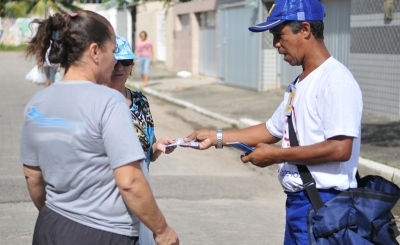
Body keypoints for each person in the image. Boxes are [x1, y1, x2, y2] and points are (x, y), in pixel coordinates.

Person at [185, 0, 363, 244]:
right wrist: (216, 137)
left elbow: (340, 148)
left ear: (306, 30)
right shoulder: (299, 84)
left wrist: (277, 156)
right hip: (300, 205)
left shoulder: (336, 81)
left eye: (279, 35)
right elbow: (271, 129)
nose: (276, 45)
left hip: (325, 204)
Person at [21, 11, 179, 245]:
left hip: (49, 225)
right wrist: (162, 230)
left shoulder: (37, 102)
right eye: (114, 51)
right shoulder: (109, 101)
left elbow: (33, 177)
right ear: (95, 51)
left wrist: (61, 214)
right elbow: (130, 182)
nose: (117, 60)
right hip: (103, 233)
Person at [107, 35, 176, 245]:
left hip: (141, 193)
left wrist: (158, 146)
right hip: (108, 197)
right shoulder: (98, 103)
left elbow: (148, 151)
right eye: (114, 62)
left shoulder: (140, 101)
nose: (120, 68)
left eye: (126, 62)